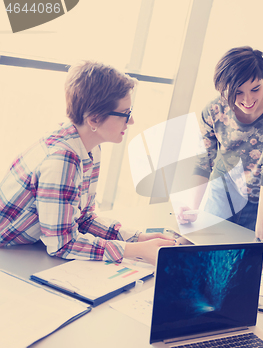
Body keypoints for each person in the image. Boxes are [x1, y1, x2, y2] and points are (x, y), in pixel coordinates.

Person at [0, 61, 175, 265]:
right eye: (125, 114)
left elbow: (82, 218)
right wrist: (134, 250)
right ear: (94, 120)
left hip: (24, 252)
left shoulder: (88, 146)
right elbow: (62, 244)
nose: (132, 121)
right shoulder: (63, 159)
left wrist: (136, 238)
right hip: (8, 257)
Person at [176, 46, 263, 241]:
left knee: (244, 257)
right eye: (238, 92)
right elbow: (204, 162)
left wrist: (262, 231)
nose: (248, 99)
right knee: (208, 247)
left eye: (255, 89)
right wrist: (193, 209)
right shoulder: (214, 110)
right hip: (223, 189)